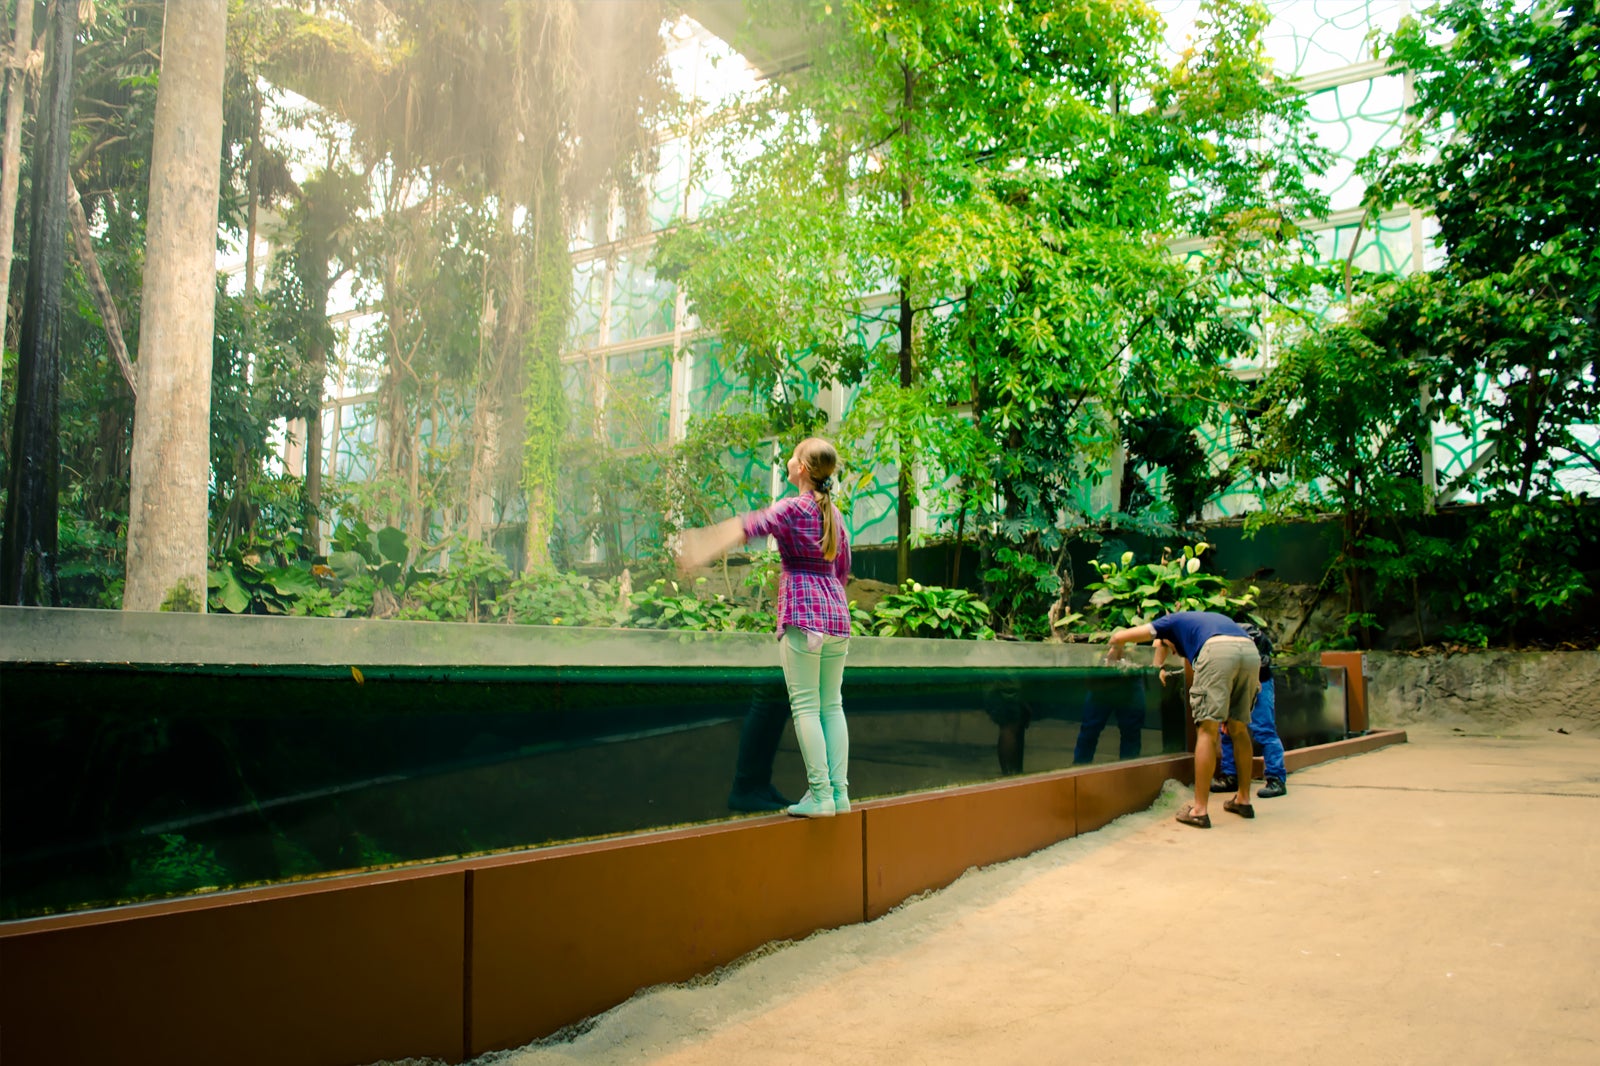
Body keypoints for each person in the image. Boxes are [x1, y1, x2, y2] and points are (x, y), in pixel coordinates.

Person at [678, 437, 852, 818]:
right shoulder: (835, 516)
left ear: (802, 469)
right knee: (832, 705)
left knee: (805, 706)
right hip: (837, 617)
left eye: (793, 456)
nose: (789, 461)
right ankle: (839, 794)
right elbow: (842, 569)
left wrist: (700, 546)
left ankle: (820, 796)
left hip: (804, 616)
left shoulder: (791, 509)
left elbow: (749, 525)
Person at [1105, 610, 1258, 828]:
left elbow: (1119, 636)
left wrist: (1116, 649)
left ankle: (1199, 810)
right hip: (1250, 650)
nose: (1176, 654)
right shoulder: (1203, 622)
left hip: (1218, 651)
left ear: (1166, 639)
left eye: (1173, 651)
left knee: (1207, 730)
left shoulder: (1170, 622)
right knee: (1239, 728)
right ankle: (1243, 800)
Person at [1214, 622, 1288, 798]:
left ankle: (1276, 778)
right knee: (1226, 730)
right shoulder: (1219, 640)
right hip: (1234, 682)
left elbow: (1260, 664)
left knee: (1264, 730)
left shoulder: (1251, 638)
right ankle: (1231, 776)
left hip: (1260, 681)